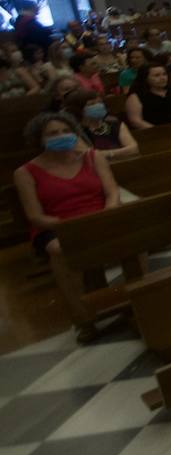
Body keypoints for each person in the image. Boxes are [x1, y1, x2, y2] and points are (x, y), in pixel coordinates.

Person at [14, 112, 121, 341]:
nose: (61, 136)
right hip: (56, 225)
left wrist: (108, 213)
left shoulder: (93, 157)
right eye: (53, 133)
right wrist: (71, 227)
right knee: (61, 251)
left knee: (139, 238)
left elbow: (112, 192)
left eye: (66, 131)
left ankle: (132, 299)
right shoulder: (25, 172)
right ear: (40, 140)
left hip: (98, 217)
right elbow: (35, 216)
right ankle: (84, 319)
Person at [63, 89, 138, 160]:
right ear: (79, 110)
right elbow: (88, 156)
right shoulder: (75, 132)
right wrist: (121, 152)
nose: (98, 106)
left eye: (100, 102)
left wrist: (106, 154)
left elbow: (134, 149)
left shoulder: (115, 124)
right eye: (92, 104)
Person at [125, 58, 171, 128]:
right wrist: (158, 131)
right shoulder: (136, 96)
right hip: (155, 133)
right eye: (157, 75)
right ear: (145, 78)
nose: (162, 78)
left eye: (164, 74)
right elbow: (135, 121)